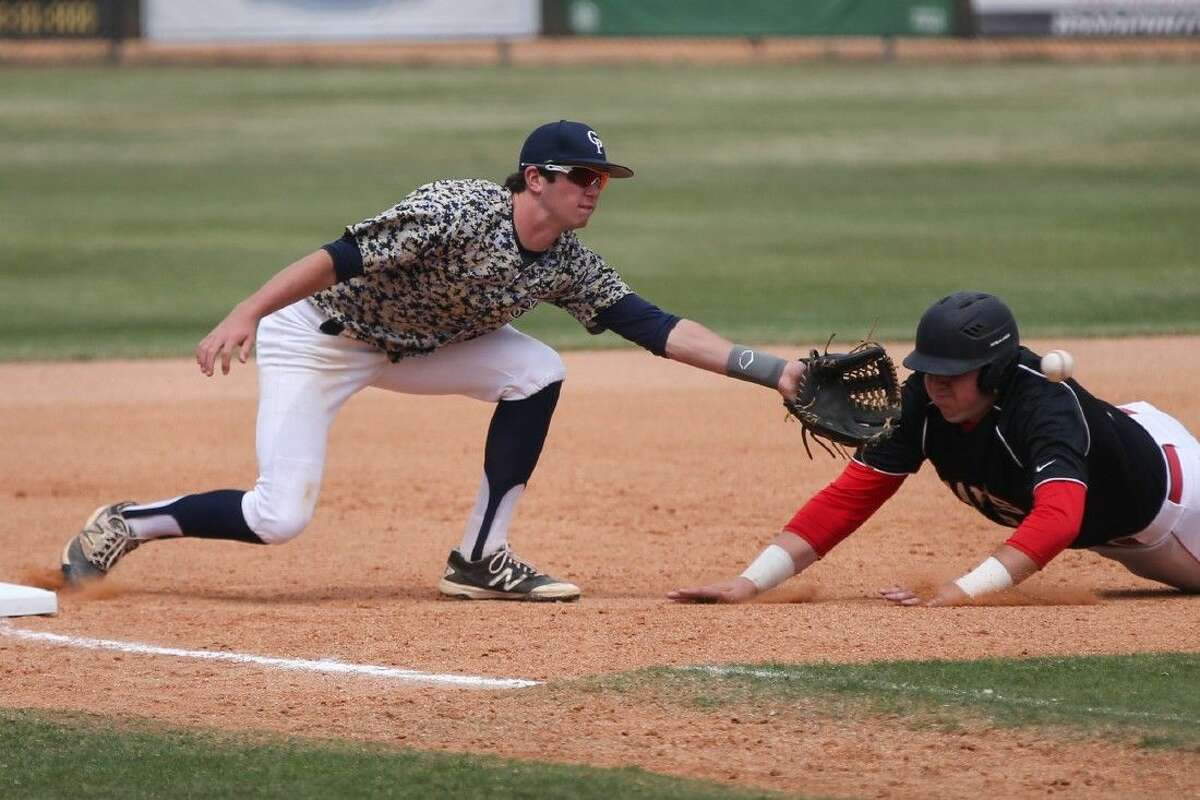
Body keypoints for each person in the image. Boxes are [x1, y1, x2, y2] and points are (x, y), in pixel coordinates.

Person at [61, 120, 806, 602]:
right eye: (580, 176)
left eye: (600, 180)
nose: (593, 190)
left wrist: (774, 371)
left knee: (539, 370)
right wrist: (247, 312)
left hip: (419, 349)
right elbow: (335, 258)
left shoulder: (567, 262)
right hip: (320, 340)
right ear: (535, 178)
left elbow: (655, 326)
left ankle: (482, 556)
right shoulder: (455, 211)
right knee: (277, 516)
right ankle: (129, 522)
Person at [669, 291, 1200, 606]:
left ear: (993, 372)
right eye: (928, 371)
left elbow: (1059, 517)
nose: (935, 385)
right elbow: (850, 497)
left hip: (1175, 506)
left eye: (952, 374)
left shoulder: (1044, 406)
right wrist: (749, 581)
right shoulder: (924, 401)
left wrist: (964, 591)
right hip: (1112, 477)